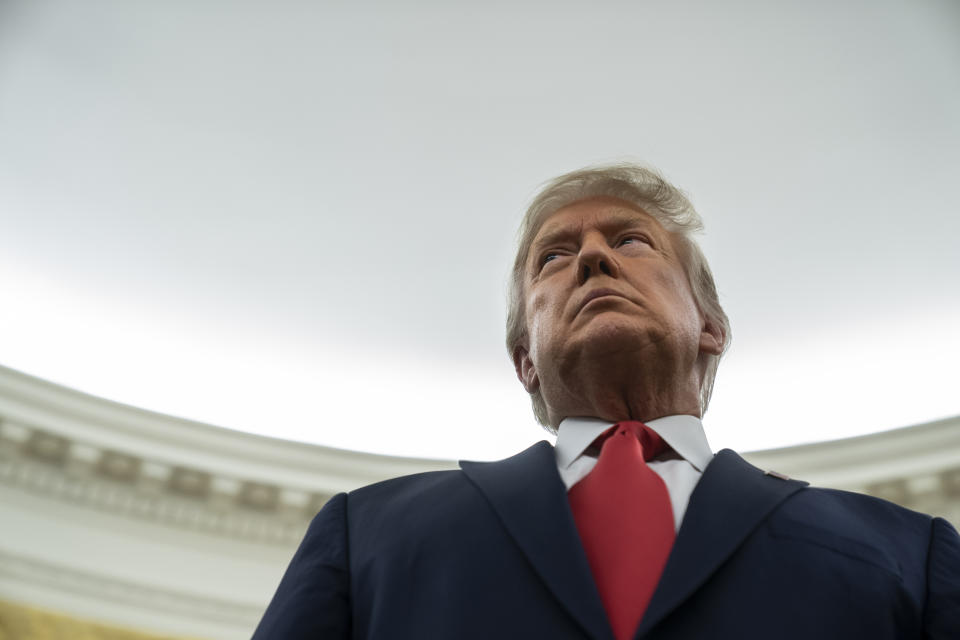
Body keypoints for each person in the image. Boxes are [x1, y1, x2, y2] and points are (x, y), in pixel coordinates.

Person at [252, 164, 959, 639]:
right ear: (525, 358)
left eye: (629, 240)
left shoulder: (906, 552)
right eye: (553, 257)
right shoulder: (366, 536)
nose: (593, 257)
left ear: (710, 326)